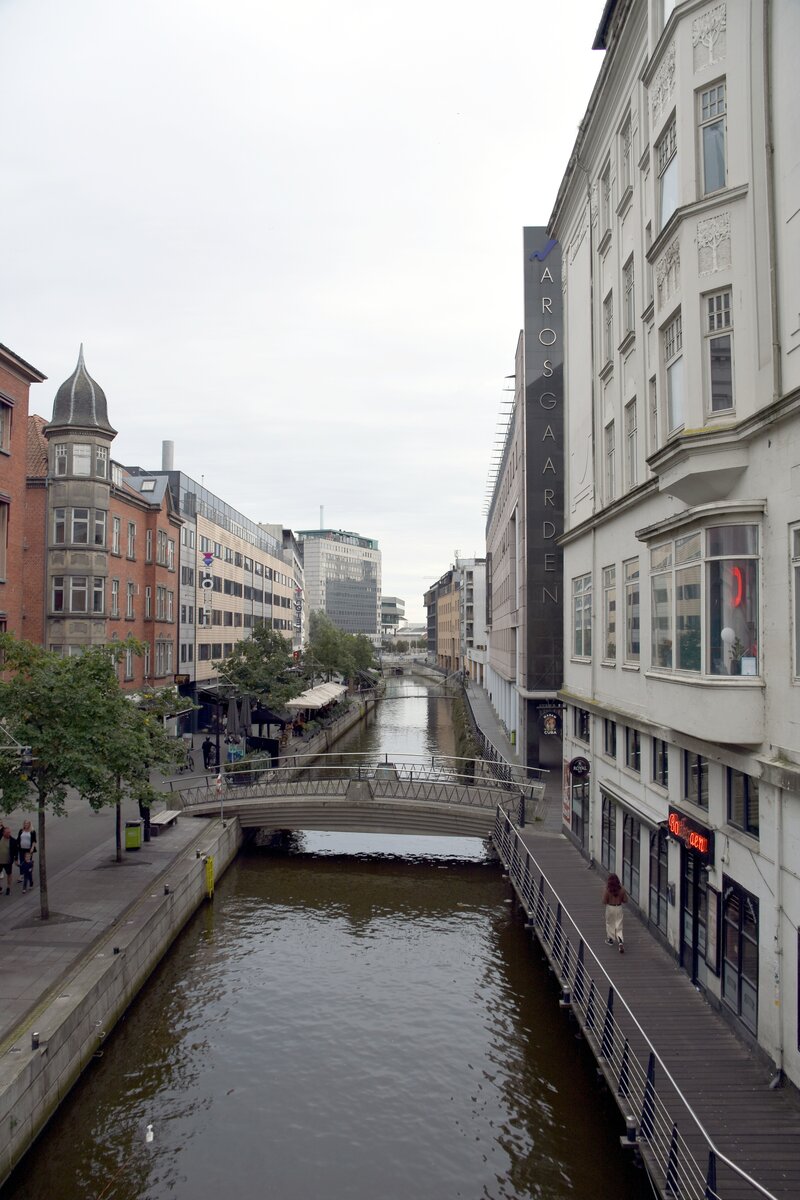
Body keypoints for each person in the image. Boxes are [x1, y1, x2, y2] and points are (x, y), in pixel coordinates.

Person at [603, 872, 628, 953]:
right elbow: (625, 900)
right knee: (619, 924)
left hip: (610, 907)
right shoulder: (622, 889)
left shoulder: (607, 890)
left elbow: (604, 901)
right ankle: (620, 941)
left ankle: (610, 939)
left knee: (610, 923)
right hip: (619, 907)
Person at [17, 819, 36, 887]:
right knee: (22, 861)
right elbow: (18, 839)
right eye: (25, 823)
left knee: (28, 862)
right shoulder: (21, 830)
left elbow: (34, 840)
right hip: (21, 849)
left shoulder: (32, 831)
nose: (26, 824)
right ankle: (21, 874)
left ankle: (28, 873)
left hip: (28, 849)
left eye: (27, 823)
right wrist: (17, 845)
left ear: (29, 824)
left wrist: (32, 847)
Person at [0, 827, 18, 896]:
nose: (9, 834)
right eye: (7, 833)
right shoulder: (0, 837)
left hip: (7, 862)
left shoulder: (13, 841)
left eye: (9, 832)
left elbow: (16, 851)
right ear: (3, 833)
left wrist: (16, 860)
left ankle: (8, 887)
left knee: (9, 874)